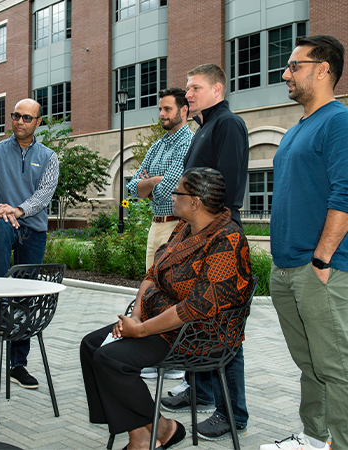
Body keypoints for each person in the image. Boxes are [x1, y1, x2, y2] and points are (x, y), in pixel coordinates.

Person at [81, 167, 254, 450]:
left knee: (110, 360)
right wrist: (135, 316)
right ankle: (155, 430)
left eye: (178, 192)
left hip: (196, 334)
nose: (171, 196)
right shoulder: (183, 227)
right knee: (90, 346)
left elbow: (195, 308)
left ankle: (146, 436)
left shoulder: (227, 239)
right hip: (158, 321)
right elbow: (153, 273)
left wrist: (140, 331)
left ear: (196, 201)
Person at [263, 35, 347, 450]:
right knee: (309, 365)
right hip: (285, 267)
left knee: (336, 368)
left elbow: (345, 194)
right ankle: (315, 440)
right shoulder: (298, 127)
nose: (285, 73)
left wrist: (323, 257)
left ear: (323, 69)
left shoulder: (338, 121)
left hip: (319, 269)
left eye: (294, 66)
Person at [161, 63, 251, 442]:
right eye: (187, 88)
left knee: (222, 325)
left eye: (195, 87)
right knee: (197, 319)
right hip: (197, 235)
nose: (189, 94)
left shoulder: (227, 124)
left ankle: (233, 413)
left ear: (217, 89)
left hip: (218, 239)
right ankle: (201, 391)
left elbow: (225, 188)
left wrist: (208, 234)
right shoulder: (205, 126)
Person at [0, 98, 59, 389]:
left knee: (25, 295)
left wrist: (19, 210)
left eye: (27, 118)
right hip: (3, 220)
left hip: (32, 228)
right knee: (0, 226)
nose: (20, 122)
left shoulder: (49, 156)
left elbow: (44, 194)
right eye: (16, 116)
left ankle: (18, 365)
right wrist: (0, 208)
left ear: (38, 123)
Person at [126, 88, 194, 382]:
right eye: (161, 109)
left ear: (184, 111)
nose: (163, 115)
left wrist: (150, 183)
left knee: (173, 292)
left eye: (168, 109)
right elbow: (131, 188)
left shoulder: (188, 142)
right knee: (152, 292)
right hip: (156, 225)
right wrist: (152, 183)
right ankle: (154, 355)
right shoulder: (158, 145)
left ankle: (175, 360)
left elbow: (172, 188)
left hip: (176, 225)